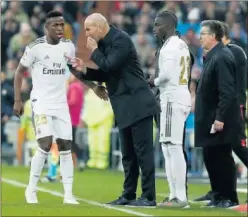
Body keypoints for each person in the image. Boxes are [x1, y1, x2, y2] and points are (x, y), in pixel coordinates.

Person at [13, 10, 107, 204]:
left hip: (60, 103)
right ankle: (31, 190)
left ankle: (68, 195)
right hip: (41, 103)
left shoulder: (68, 46)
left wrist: (93, 86)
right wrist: (17, 99)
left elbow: (73, 69)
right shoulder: (35, 48)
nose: (60, 28)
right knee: (46, 144)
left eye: (62, 24)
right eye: (55, 25)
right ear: (46, 27)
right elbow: (19, 72)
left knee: (65, 147)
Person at [67, 13, 159, 207]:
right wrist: (85, 70)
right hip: (123, 104)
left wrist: (93, 52)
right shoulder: (102, 45)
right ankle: (129, 194)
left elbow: (110, 64)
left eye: (88, 29)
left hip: (138, 102)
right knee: (128, 154)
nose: (86, 33)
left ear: (100, 27)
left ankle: (149, 196)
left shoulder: (121, 40)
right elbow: (105, 72)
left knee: (143, 152)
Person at [194, 21, 248, 204]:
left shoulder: (224, 56)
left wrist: (220, 117)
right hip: (209, 116)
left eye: (203, 33)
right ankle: (218, 194)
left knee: (225, 156)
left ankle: (229, 196)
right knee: (212, 156)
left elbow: (227, 91)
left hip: (221, 116)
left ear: (213, 36)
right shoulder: (212, 56)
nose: (199, 37)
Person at [148, 11, 192, 208]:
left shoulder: (169, 47)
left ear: (167, 26)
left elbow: (166, 75)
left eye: (157, 25)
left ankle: (180, 197)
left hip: (172, 98)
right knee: (168, 147)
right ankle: (174, 194)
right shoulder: (181, 45)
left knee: (172, 147)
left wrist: (152, 81)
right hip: (181, 95)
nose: (154, 28)